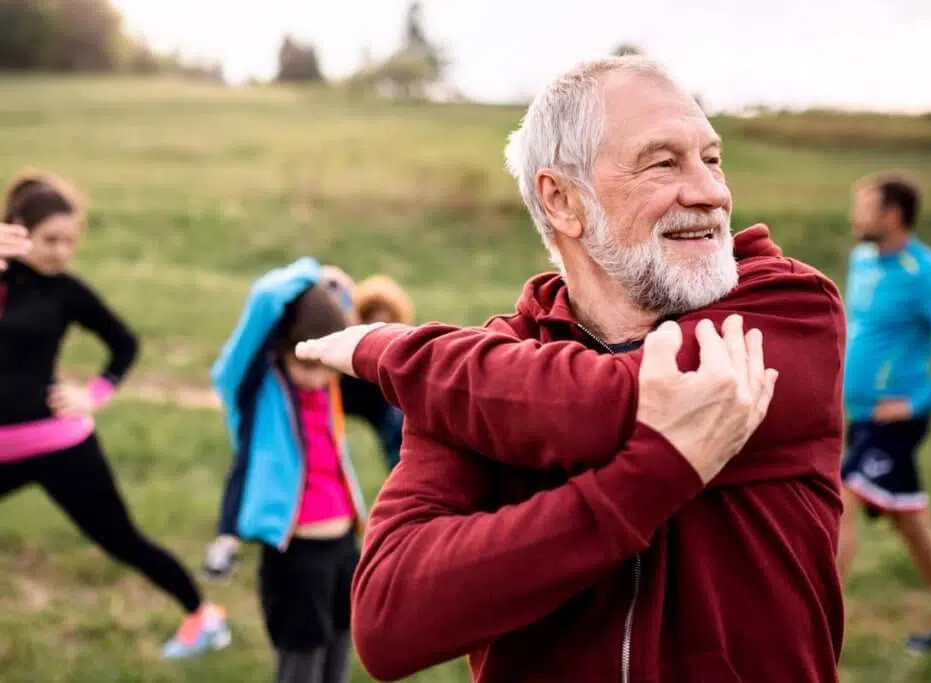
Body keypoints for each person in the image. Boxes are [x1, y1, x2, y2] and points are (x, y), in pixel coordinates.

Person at [296, 56, 847, 683]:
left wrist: (395, 350)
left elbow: (606, 404)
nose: (711, 192)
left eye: (712, 158)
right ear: (562, 200)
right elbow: (390, 621)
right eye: (664, 162)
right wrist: (654, 475)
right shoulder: (482, 376)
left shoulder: (787, 308)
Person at [0, 170, 230, 660]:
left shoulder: (66, 292)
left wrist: (94, 394)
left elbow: (124, 344)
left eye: (69, 241)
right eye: (49, 240)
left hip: (57, 444)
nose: (60, 252)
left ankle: (202, 615)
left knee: (121, 539)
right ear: (17, 228)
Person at [837, 172, 931, 655]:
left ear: (893, 215)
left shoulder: (923, 272)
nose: (854, 215)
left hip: (894, 421)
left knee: (840, 500)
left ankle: (816, 626)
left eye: (865, 206)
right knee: (911, 520)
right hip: (861, 416)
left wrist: (918, 402)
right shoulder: (863, 260)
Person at [203, 258, 368, 683]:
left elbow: (343, 318)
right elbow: (265, 297)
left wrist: (336, 290)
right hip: (296, 554)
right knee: (300, 663)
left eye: (323, 364)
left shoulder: (328, 383)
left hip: (344, 544)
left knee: (339, 652)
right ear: (279, 347)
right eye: (306, 365)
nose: (317, 378)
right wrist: (315, 272)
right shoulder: (255, 390)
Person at [340, 274, 413, 471]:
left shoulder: (400, 359)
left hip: (381, 403)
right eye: (372, 324)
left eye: (387, 326)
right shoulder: (341, 355)